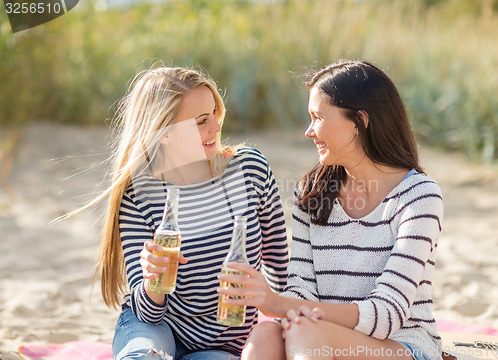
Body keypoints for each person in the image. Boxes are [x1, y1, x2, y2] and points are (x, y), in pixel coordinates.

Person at [216, 60, 444, 360]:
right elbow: (301, 290)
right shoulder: (312, 192)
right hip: (318, 337)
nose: (309, 131)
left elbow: (387, 315)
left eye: (318, 117)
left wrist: (279, 305)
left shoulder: (419, 196)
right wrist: (289, 308)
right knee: (266, 335)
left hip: (403, 347)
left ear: (358, 122)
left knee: (305, 332)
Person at [81, 66, 289, 359]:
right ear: (163, 133)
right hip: (155, 326)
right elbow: (149, 313)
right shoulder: (139, 193)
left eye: (214, 113)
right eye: (201, 121)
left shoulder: (249, 170)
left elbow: (280, 268)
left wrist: (287, 326)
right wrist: (154, 278)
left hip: (221, 341)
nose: (216, 128)